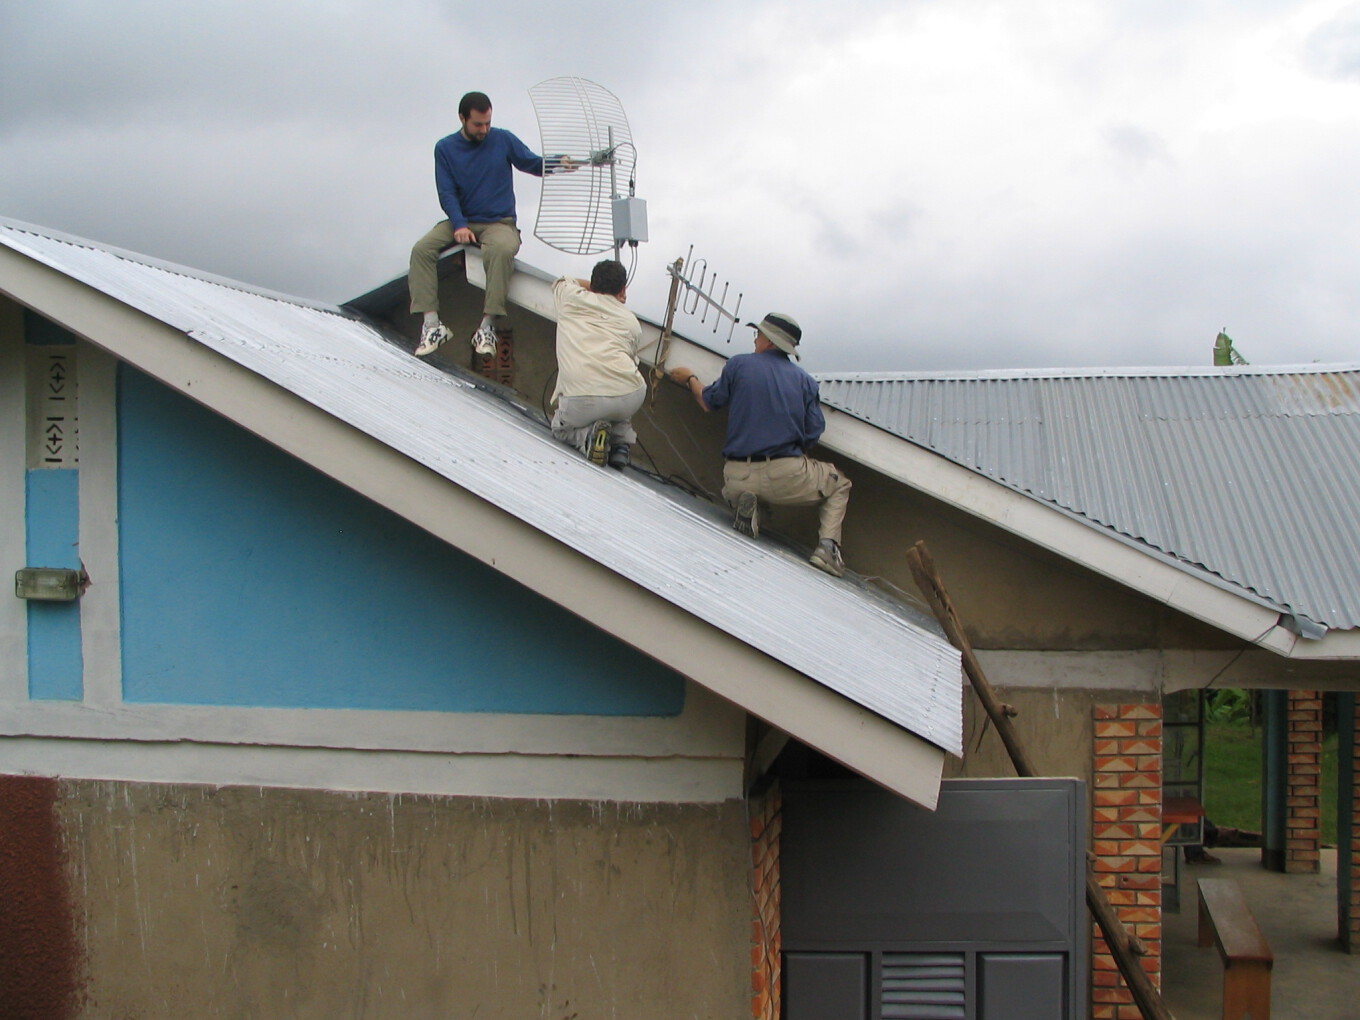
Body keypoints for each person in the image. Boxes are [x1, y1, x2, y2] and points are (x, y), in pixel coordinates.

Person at [668, 313, 852, 577]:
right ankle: (827, 550)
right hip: (786, 475)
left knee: (751, 495)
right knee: (840, 483)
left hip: (737, 476)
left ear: (770, 341)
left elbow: (708, 402)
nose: (756, 339)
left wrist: (689, 378)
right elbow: (813, 434)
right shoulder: (805, 382)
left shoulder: (739, 365)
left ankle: (749, 512)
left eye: (759, 335)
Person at [411, 91, 571, 359]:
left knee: (501, 250)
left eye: (487, 123)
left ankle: (487, 328)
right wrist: (460, 225)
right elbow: (447, 192)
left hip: (498, 222)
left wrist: (558, 163)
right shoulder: (445, 148)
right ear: (462, 119)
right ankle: (432, 326)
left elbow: (531, 162)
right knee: (421, 249)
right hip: (461, 220)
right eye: (477, 124)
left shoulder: (502, 139)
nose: (484, 129)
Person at [550, 260, 645, 469]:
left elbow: (565, 280)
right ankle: (621, 445)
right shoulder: (631, 322)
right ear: (623, 290)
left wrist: (593, 287)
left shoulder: (569, 297)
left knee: (560, 429)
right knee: (623, 377)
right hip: (629, 396)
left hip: (580, 400)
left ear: (591, 285)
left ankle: (587, 438)